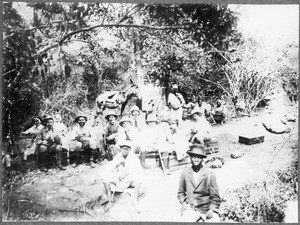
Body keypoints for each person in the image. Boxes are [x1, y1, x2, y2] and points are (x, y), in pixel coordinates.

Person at [177, 144, 221, 222]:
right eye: (194, 157)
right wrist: (184, 204)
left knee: (215, 221)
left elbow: (216, 197)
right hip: (191, 209)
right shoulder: (185, 173)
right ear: (190, 157)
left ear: (202, 159)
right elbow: (180, 193)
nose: (196, 160)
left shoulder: (209, 174)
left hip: (206, 210)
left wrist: (212, 210)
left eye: (199, 157)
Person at [101, 140, 144, 213]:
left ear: (129, 150)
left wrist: (125, 174)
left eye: (126, 149)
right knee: (104, 174)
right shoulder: (117, 156)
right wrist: (117, 165)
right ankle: (109, 197)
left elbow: (137, 169)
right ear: (120, 149)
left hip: (130, 179)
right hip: (119, 179)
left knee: (139, 178)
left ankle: (134, 200)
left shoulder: (134, 157)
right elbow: (111, 168)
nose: (124, 150)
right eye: (123, 148)